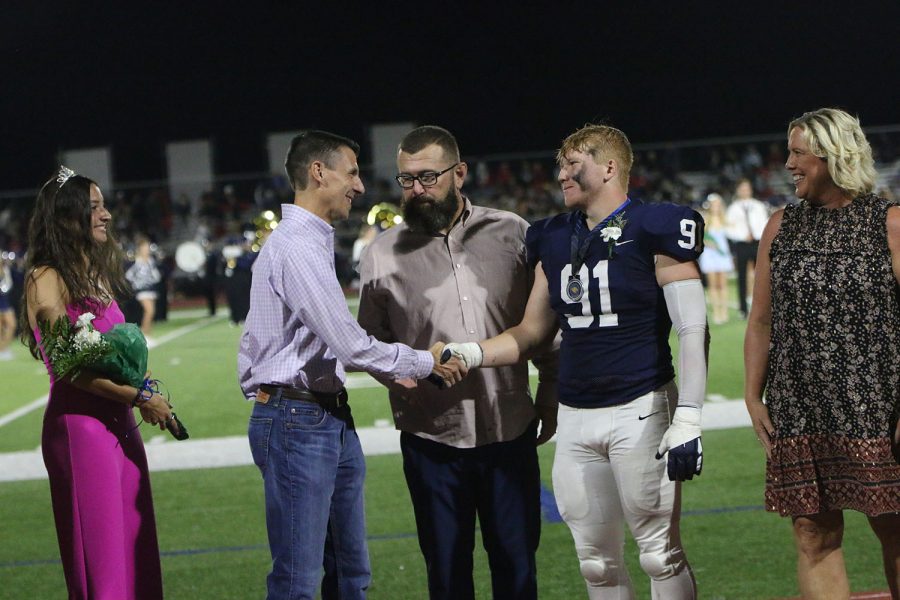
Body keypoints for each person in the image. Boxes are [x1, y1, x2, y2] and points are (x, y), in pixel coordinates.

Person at [444, 124, 708, 599]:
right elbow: (531, 332)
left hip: (641, 406)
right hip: (576, 413)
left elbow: (692, 327)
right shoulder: (553, 236)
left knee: (657, 553)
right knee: (595, 564)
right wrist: (473, 351)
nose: (561, 173)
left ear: (609, 167)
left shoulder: (657, 225)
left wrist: (688, 415)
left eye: (573, 163)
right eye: (560, 164)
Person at [237, 130, 465, 600]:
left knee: (349, 576)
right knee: (298, 582)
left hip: (319, 415)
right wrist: (428, 361)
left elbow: (338, 346)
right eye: (353, 172)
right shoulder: (298, 246)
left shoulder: (309, 241)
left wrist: (396, 368)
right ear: (319, 172)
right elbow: (350, 345)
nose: (360, 186)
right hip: (297, 419)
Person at [357, 126, 558, 600]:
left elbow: (541, 323)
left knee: (518, 569)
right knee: (446, 577)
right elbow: (369, 343)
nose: (416, 190)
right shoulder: (381, 254)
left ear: (459, 173)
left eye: (428, 177)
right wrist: (397, 376)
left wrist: (550, 388)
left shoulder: (511, 231)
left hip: (508, 430)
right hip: (432, 438)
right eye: (406, 180)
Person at [744, 108, 900, 599]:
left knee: (894, 529)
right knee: (814, 533)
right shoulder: (780, 226)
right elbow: (762, 321)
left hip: (877, 403)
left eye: (797, 152)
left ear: (834, 155)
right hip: (800, 407)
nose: (787, 163)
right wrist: (753, 396)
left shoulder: (889, 223)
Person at [20, 166, 172, 599]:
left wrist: (141, 389)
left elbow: (116, 355)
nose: (106, 215)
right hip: (81, 429)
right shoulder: (44, 278)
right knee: (102, 560)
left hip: (121, 423)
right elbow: (68, 365)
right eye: (94, 208)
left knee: (136, 551)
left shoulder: (95, 274)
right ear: (68, 217)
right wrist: (140, 395)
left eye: (104, 206)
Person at [725, 178, 768, 318]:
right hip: (742, 244)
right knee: (742, 277)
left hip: (757, 243)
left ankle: (763, 307)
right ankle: (743, 309)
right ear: (738, 190)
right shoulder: (733, 208)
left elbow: (765, 224)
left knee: (762, 276)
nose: (745, 191)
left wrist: (756, 234)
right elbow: (729, 229)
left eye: (747, 188)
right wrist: (744, 236)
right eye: (742, 188)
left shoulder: (758, 206)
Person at [698, 193, 734, 324]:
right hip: (709, 255)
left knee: (723, 284)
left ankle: (724, 312)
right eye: (714, 204)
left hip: (722, 254)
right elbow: (699, 238)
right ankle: (717, 312)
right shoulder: (705, 220)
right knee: (713, 285)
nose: (716, 207)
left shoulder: (725, 219)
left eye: (718, 204)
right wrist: (707, 243)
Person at [125, 234, 161, 337]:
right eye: (144, 247)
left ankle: (148, 333)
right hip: (142, 290)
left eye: (147, 247)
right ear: (140, 249)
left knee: (151, 312)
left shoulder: (151, 261)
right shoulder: (137, 261)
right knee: (149, 311)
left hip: (151, 289)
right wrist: (137, 284)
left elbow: (156, 276)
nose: (147, 249)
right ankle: (144, 334)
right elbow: (129, 275)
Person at [0, 254, 15, 360]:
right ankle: (2, 350)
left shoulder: (5, 269)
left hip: (5, 301)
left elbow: (8, 285)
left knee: (12, 325)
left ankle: (3, 349)